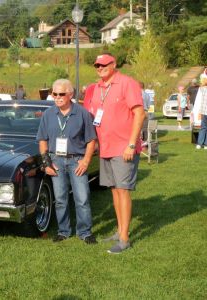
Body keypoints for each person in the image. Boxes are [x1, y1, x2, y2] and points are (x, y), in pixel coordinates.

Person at [86, 54, 145, 254]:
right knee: (114, 190)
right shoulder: (98, 88)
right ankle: (120, 231)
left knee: (123, 190)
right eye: (97, 65)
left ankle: (125, 239)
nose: (100, 68)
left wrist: (131, 144)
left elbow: (139, 113)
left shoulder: (127, 83)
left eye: (103, 64)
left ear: (113, 65)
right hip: (106, 147)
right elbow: (93, 116)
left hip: (123, 148)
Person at [36, 79, 97, 244]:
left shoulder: (82, 113)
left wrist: (85, 161)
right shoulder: (48, 115)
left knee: (82, 198)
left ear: (70, 94)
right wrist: (46, 162)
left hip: (77, 160)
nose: (57, 97)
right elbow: (42, 140)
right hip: (56, 161)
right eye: (54, 94)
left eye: (61, 94)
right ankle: (63, 231)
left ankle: (84, 232)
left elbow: (91, 140)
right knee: (61, 199)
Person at [195, 77, 207, 149]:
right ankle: (206, 144)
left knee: (203, 128)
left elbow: (201, 85)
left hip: (203, 111)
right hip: (204, 111)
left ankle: (199, 144)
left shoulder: (202, 89)